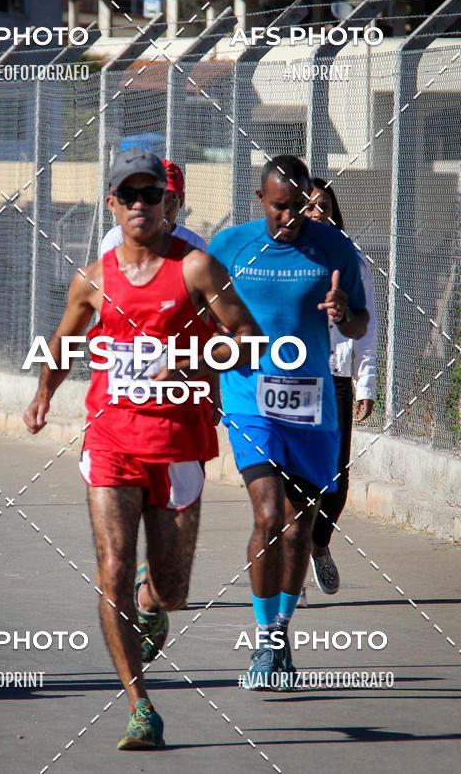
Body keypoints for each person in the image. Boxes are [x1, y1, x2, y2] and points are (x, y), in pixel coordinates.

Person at [24, 147, 261, 748]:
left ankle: (152, 603)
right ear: (112, 204)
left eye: (149, 194)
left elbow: (251, 342)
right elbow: (62, 342)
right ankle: (140, 707)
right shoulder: (94, 279)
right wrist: (43, 393)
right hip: (111, 440)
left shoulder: (196, 269)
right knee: (111, 566)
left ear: (166, 201)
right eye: (127, 195)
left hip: (179, 441)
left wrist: (194, 357)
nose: (139, 205)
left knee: (174, 588)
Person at [208, 155, 369, 690]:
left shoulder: (332, 246)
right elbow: (199, 317)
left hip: (310, 402)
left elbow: (361, 319)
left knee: (299, 526)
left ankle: (279, 638)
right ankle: (263, 641)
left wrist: (344, 312)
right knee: (268, 512)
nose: (290, 217)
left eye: (299, 206)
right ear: (261, 200)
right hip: (250, 398)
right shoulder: (230, 246)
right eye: (280, 206)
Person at [297, 177, 377, 603]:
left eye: (324, 205)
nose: (317, 213)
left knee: (335, 481)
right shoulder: (285, 258)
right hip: (293, 377)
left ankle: (318, 542)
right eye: (309, 206)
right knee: (294, 478)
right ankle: (290, 573)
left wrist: (366, 382)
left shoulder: (353, 261)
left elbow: (367, 326)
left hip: (336, 378)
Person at [99, 158, 207, 255]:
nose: (164, 206)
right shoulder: (117, 238)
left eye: (171, 198)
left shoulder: (196, 245)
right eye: (157, 197)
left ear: (182, 200)